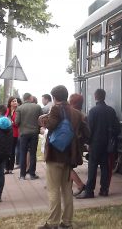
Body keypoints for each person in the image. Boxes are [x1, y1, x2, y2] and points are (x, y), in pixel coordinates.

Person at [38, 85, 90, 229]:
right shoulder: (76, 113)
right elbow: (87, 133)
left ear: (54, 98)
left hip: (55, 154)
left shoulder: (55, 109)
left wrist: (43, 122)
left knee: (53, 189)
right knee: (67, 189)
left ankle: (53, 223)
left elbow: (51, 125)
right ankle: (67, 222)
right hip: (69, 156)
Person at [77, 89, 119, 199]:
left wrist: (88, 142)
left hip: (95, 143)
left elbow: (89, 129)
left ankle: (89, 191)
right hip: (107, 144)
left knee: (92, 167)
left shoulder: (93, 111)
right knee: (105, 167)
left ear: (95, 97)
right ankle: (104, 190)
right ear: (104, 97)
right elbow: (117, 128)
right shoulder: (111, 111)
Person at [16, 93, 43, 180]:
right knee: (32, 154)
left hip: (23, 133)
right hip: (34, 133)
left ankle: (22, 175)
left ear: (24, 99)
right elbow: (41, 119)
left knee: (23, 153)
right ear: (31, 98)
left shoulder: (19, 108)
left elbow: (17, 122)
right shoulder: (37, 107)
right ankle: (32, 174)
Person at [68, 93, 88, 196]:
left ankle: (80, 185)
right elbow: (86, 132)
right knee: (69, 165)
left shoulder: (70, 113)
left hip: (70, 144)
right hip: (78, 144)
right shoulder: (82, 115)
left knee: (66, 166)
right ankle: (69, 190)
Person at [4, 97, 21, 174]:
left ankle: (10, 168)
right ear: (10, 102)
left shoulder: (18, 110)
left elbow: (18, 122)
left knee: (12, 150)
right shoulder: (7, 110)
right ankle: (6, 168)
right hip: (7, 132)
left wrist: (13, 123)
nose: (15, 102)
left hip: (15, 132)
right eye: (13, 101)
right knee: (6, 150)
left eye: (16, 101)